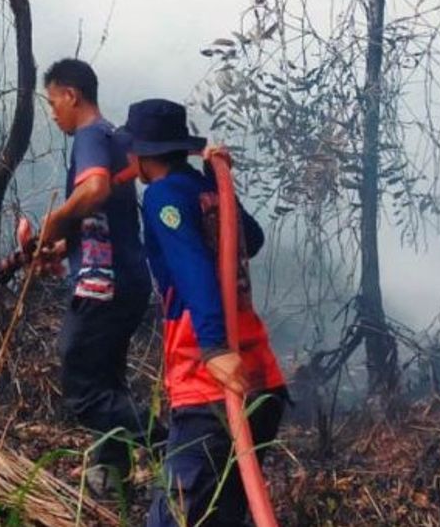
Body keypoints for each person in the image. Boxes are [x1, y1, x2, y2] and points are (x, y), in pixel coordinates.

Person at [118, 98, 287, 527]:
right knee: (222, 515)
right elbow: (252, 237)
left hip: (210, 383)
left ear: (143, 153)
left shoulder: (162, 196)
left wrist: (213, 347)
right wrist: (219, 179)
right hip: (260, 379)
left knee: (174, 518)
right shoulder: (203, 189)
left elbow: (192, 266)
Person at [33, 58, 154, 497]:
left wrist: (56, 220)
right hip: (129, 280)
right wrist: (63, 243)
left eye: (53, 102)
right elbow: (109, 216)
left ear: (72, 95)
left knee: (82, 387)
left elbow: (96, 189)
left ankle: (179, 443)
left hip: (103, 286)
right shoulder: (117, 139)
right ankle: (112, 473)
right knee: (107, 381)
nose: (53, 113)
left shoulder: (89, 136)